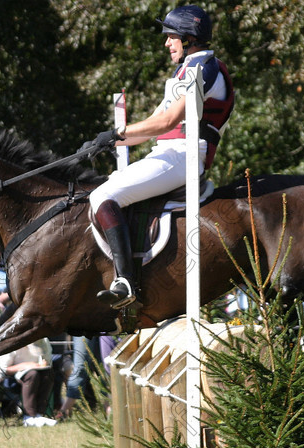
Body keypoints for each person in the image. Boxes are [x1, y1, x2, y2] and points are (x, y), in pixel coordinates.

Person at [83, 5, 233, 309]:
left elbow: (166, 122)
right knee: (108, 185)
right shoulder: (186, 70)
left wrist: (116, 132)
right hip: (170, 151)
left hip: (186, 154)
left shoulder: (203, 68)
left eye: (171, 37)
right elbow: (153, 126)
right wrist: (105, 141)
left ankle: (125, 282)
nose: (167, 43)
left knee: (103, 197)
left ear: (189, 38)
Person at [0, 338, 57, 427]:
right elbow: (4, 369)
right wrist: (25, 366)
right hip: (11, 378)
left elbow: (48, 363)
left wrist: (43, 363)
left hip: (36, 373)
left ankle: (39, 414)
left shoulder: (44, 341)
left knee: (48, 374)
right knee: (32, 374)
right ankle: (29, 416)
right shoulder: (12, 343)